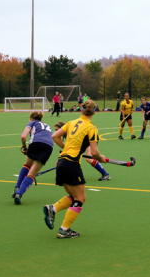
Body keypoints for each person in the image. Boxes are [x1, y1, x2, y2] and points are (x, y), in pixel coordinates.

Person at [44, 100, 107, 239]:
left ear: (81, 110)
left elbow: (55, 136)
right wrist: (101, 158)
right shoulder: (91, 128)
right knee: (81, 198)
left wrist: (65, 147)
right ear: (94, 112)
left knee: (74, 197)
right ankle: (64, 229)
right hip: (72, 163)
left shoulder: (71, 122)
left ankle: (52, 208)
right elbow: (95, 152)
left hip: (61, 162)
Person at [12, 111, 54, 205]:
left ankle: (17, 187)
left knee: (27, 165)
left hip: (36, 143)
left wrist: (24, 146)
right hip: (49, 147)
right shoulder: (47, 125)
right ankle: (19, 194)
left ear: (31, 118)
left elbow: (23, 136)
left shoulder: (32, 122)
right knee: (32, 173)